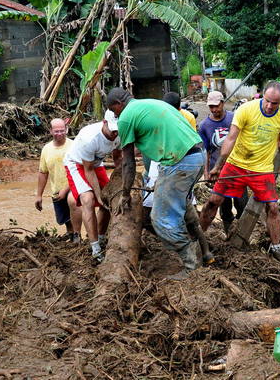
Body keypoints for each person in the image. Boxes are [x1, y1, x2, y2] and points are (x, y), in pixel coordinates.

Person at [107, 87, 209, 278]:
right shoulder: (153, 103)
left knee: (161, 219)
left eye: (114, 111)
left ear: (118, 104)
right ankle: (204, 252)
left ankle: (191, 266)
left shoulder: (126, 117)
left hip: (179, 162)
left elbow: (128, 163)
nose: (116, 114)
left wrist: (125, 194)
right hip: (197, 156)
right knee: (181, 204)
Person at [198, 81, 280, 265]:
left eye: (274, 103)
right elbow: (230, 138)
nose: (269, 106)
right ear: (261, 96)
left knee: (273, 208)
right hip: (236, 164)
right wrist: (218, 165)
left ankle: (276, 248)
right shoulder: (246, 110)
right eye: (267, 101)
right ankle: (197, 241)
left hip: (262, 169)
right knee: (213, 201)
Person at [63, 111, 121, 262]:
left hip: (96, 163)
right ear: (104, 122)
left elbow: (118, 158)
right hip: (77, 164)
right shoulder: (89, 138)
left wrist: (121, 182)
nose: (115, 133)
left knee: (109, 198)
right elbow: (88, 170)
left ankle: (101, 238)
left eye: (117, 130)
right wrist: (98, 195)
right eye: (112, 129)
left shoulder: (120, 133)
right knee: (88, 199)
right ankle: (95, 248)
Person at [197, 90, 249, 234]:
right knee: (223, 204)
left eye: (216, 106)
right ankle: (228, 231)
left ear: (222, 103)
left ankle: (242, 232)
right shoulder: (204, 125)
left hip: (238, 168)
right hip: (218, 171)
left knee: (241, 202)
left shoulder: (234, 119)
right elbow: (206, 151)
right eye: (211, 107)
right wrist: (206, 172)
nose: (214, 110)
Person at [35, 118, 79, 241]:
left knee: (75, 208)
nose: (59, 133)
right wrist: (39, 195)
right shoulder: (46, 149)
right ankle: (70, 235)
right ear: (50, 131)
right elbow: (43, 173)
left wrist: (66, 190)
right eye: (56, 131)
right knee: (64, 218)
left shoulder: (74, 145)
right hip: (56, 190)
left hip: (74, 186)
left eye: (62, 130)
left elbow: (79, 171)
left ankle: (77, 236)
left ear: (67, 130)